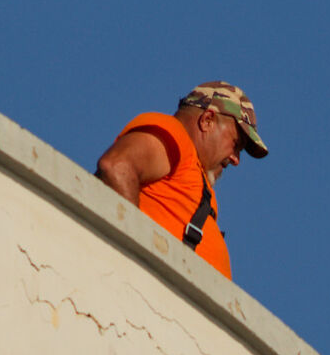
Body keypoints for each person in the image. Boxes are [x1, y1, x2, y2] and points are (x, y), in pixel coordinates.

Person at [93, 82, 268, 280]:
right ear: (208, 120)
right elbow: (117, 166)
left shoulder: (196, 177)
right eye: (236, 145)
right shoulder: (176, 136)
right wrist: (135, 263)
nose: (236, 159)